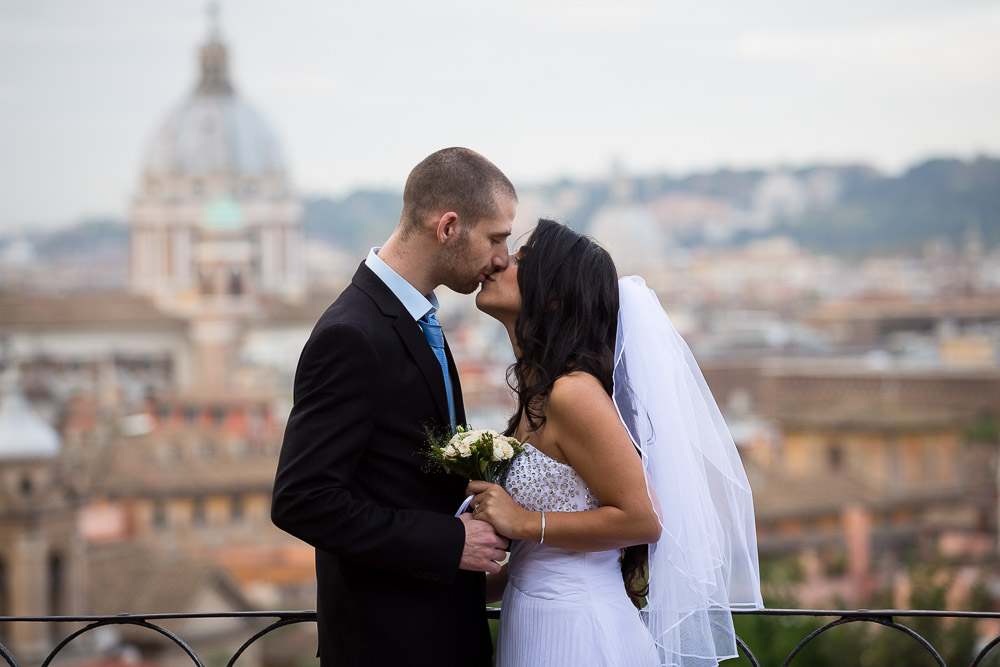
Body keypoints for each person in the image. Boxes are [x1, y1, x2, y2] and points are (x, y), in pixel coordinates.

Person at [470, 219, 763, 667]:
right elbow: (544, 551)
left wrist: (523, 522)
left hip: (580, 633)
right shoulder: (541, 393)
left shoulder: (573, 393)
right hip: (533, 619)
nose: (498, 263)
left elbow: (643, 519)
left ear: (551, 296)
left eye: (518, 261)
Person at [271, 147, 516, 667]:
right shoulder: (352, 334)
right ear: (448, 226)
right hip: (388, 644)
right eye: (496, 238)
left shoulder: (414, 319)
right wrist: (450, 541)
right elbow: (302, 498)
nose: (501, 258)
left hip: (441, 630)